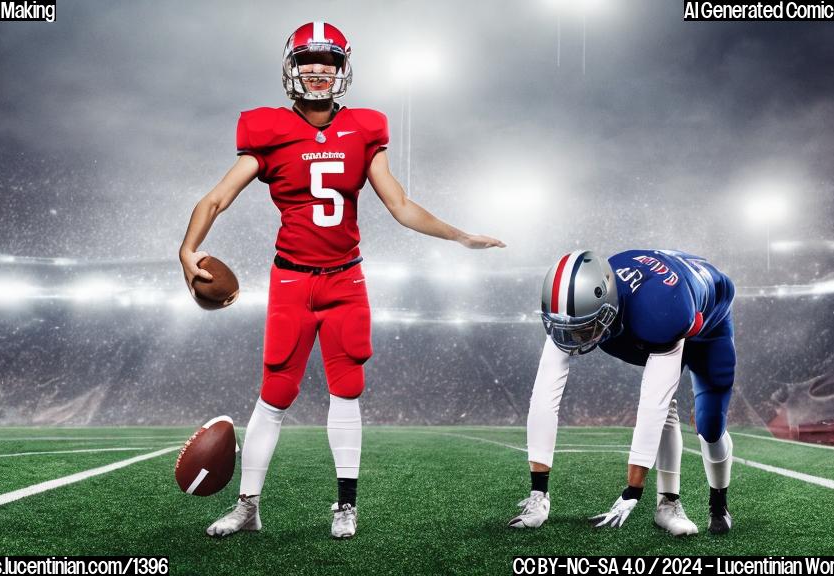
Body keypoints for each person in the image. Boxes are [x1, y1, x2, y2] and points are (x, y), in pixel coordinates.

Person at [179, 21, 504, 540]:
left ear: (342, 70)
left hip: (345, 282)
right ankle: (248, 506)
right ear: (291, 68)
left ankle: (345, 506)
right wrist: (188, 246)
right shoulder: (267, 130)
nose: (318, 71)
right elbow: (216, 197)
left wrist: (459, 235)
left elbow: (399, 205)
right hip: (291, 282)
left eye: (328, 62)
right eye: (309, 61)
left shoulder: (366, 127)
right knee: (275, 394)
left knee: (347, 391)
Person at [509, 249, 736, 536]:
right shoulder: (573, 308)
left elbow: (653, 402)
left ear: (609, 306)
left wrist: (632, 491)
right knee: (666, 408)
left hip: (707, 318)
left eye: (583, 328)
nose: (572, 339)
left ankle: (718, 504)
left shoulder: (660, 309)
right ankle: (669, 505)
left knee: (709, 425)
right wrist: (538, 493)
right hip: (655, 309)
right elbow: (543, 396)